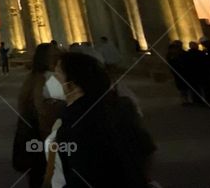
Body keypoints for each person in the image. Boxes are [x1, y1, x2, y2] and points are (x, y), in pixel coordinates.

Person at [48, 51, 156, 187]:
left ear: (74, 83)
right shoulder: (118, 105)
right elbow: (146, 149)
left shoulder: (75, 120)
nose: (53, 79)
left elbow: (80, 171)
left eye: (58, 74)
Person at [13, 43, 63, 188]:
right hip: (46, 140)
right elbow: (46, 114)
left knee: (36, 177)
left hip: (32, 139)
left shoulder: (32, 79)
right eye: (55, 55)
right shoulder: (49, 80)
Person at [182, 41, 210, 107]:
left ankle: (198, 102)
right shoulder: (201, 53)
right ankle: (208, 102)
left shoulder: (187, 55)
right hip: (202, 73)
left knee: (196, 89)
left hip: (193, 74)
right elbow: (207, 62)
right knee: (205, 89)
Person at [165, 40, 190, 105]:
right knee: (182, 87)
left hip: (183, 72)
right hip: (178, 72)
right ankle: (184, 100)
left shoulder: (182, 53)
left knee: (184, 86)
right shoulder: (172, 54)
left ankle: (185, 99)